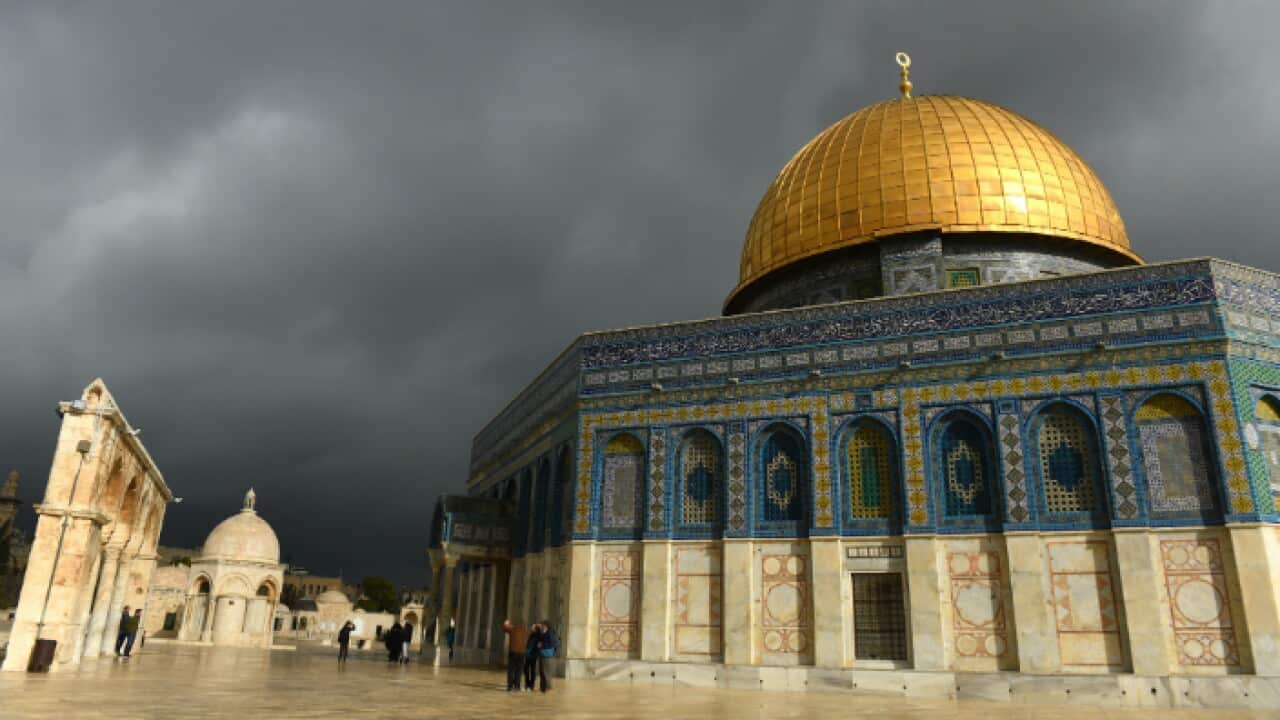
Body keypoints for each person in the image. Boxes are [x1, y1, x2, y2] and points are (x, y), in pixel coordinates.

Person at [529, 621, 558, 693]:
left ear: (546, 626)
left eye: (542, 625)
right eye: (541, 625)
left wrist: (542, 644)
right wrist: (536, 628)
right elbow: (537, 636)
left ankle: (548, 688)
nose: (541, 626)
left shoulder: (550, 633)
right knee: (542, 672)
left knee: (546, 672)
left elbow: (552, 643)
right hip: (542, 654)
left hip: (547, 655)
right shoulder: (543, 633)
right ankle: (542, 688)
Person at [501, 619, 529, 692]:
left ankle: (510, 686)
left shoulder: (513, 629)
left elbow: (504, 629)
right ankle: (517, 686)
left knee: (511, 670)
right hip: (522, 653)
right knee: (519, 671)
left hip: (513, 652)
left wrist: (506, 623)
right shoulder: (525, 631)